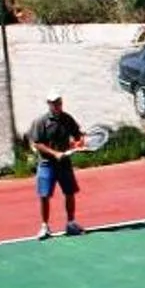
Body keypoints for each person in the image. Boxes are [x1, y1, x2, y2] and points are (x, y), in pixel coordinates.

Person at [29, 91, 86, 239]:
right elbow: (37, 143)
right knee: (44, 196)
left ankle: (71, 223)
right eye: (54, 103)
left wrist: (79, 142)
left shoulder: (67, 119)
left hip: (64, 164)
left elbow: (77, 135)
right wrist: (55, 154)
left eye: (59, 102)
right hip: (47, 164)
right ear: (49, 104)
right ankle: (44, 227)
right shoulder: (40, 122)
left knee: (69, 193)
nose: (57, 106)